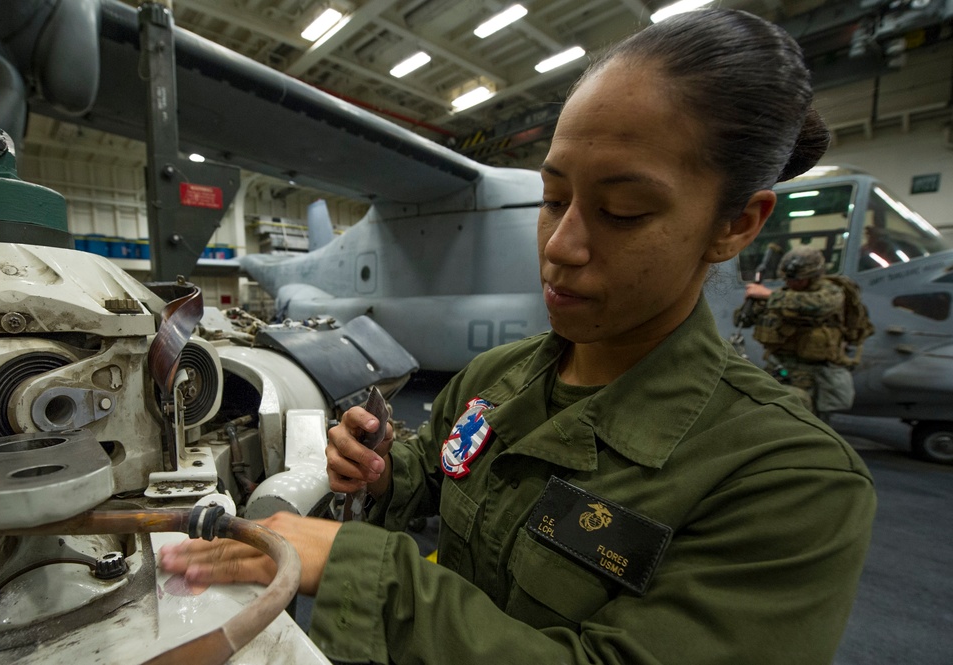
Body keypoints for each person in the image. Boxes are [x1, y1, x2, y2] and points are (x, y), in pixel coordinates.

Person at [159, 9, 876, 664]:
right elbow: (439, 474)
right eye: (554, 198)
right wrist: (386, 471)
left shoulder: (790, 482)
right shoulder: (493, 381)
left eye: (623, 211)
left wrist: (359, 567)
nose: (561, 246)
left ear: (737, 224)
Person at [739, 246, 865, 416]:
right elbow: (743, 321)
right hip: (780, 368)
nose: (791, 284)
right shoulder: (784, 295)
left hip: (813, 375)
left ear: (813, 277)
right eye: (788, 280)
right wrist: (751, 306)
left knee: (809, 422)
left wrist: (769, 295)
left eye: (798, 280)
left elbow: (817, 304)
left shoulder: (831, 292)